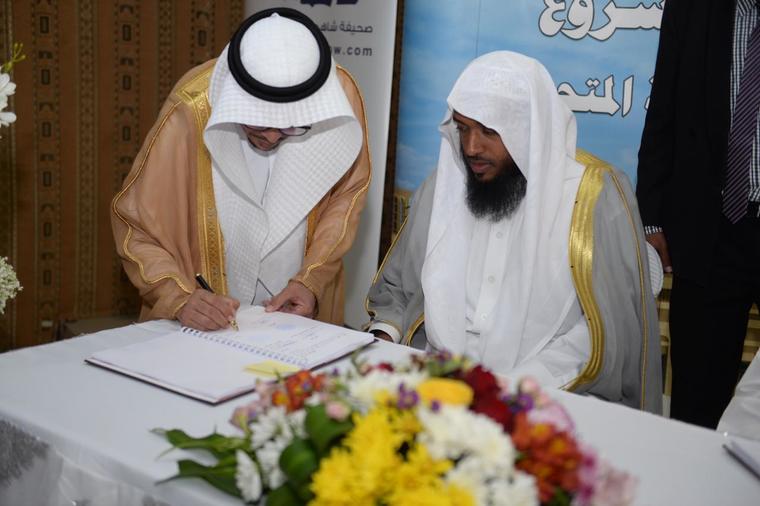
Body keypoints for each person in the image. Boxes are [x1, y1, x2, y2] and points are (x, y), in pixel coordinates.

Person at [366, 51, 662, 413]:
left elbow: (605, 331)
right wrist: (384, 337)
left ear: (529, 129)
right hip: (436, 381)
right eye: (463, 128)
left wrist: (515, 388)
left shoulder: (593, 198)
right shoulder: (444, 185)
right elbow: (400, 289)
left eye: (490, 132)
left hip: (549, 394)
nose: (471, 148)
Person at [111, 8, 370, 330]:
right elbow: (135, 226)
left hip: (300, 322)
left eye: (291, 126)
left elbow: (346, 199)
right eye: (258, 123)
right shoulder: (191, 109)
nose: (272, 137)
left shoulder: (338, 99)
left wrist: (311, 280)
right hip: (206, 324)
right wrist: (177, 296)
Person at [637, 0, 760, 428]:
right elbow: (663, 109)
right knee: (696, 405)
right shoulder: (691, 8)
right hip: (709, 231)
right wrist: (651, 217)